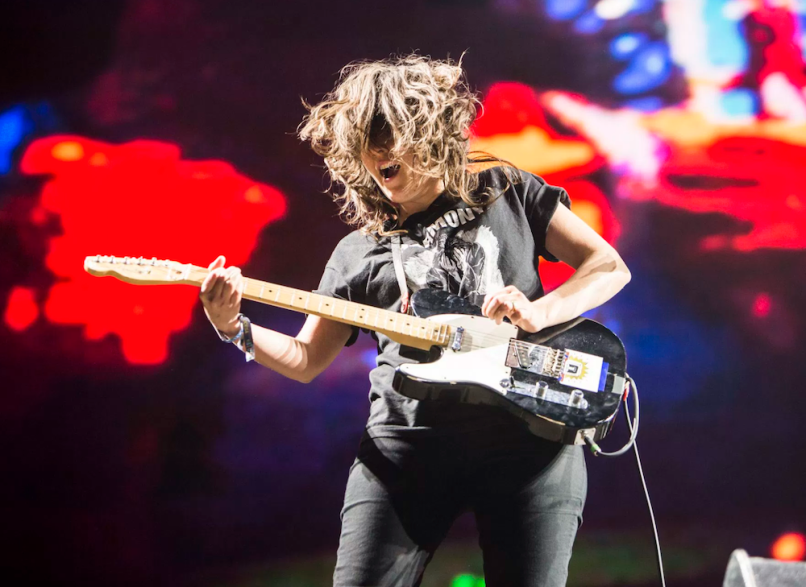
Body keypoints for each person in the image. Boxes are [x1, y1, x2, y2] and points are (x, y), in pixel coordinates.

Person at [199, 55, 631, 587]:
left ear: (428, 130)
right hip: (406, 445)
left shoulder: (505, 190)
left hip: (529, 442)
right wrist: (234, 326)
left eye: (388, 132)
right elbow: (307, 359)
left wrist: (538, 311)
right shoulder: (357, 252)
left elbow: (608, 266)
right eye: (365, 139)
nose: (377, 151)